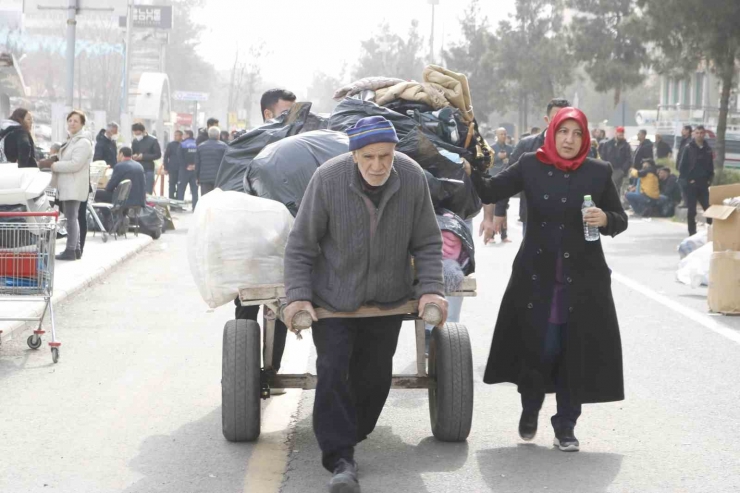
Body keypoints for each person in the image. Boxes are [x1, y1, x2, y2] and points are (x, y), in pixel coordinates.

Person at [282, 115, 447, 492]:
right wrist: (298, 297)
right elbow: (301, 245)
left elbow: (427, 242)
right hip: (335, 299)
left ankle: (349, 434)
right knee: (333, 367)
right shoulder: (328, 179)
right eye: (369, 157)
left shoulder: (412, 177)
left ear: (395, 153)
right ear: (354, 155)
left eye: (385, 156)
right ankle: (340, 457)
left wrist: (431, 288)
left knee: (374, 377)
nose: (378, 166)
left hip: (387, 300)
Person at [469, 107, 627, 453]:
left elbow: (620, 219)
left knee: (573, 351)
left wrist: (606, 218)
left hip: (583, 283)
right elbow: (491, 189)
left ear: (585, 138)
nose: (569, 140)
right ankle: (530, 407)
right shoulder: (530, 164)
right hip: (536, 278)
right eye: (563, 132)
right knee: (540, 348)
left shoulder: (599, 173)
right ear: (551, 133)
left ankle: (566, 426)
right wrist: (469, 162)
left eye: (577, 134)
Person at [231, 88, 299, 387]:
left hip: (282, 242)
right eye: (286, 113)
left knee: (280, 307)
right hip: (250, 242)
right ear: (268, 114)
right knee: (247, 307)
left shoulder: (293, 147)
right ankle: (243, 373)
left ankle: (270, 370)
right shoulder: (246, 145)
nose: (291, 120)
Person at [486, 98, 571, 240]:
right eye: (556, 117)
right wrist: (500, 211)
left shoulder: (576, 146)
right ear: (547, 119)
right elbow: (508, 179)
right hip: (533, 218)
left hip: (568, 218)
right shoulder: (528, 145)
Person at [38, 110, 92, 261]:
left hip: (73, 185)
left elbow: (75, 164)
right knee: (71, 217)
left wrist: (54, 165)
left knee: (71, 218)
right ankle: (75, 249)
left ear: (82, 124)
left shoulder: (83, 142)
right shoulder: (73, 140)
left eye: (75, 121)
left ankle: (70, 250)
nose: (72, 123)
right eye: (70, 121)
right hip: (69, 184)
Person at [679, 125, 714, 236]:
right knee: (692, 210)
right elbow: (682, 166)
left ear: (704, 134)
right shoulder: (688, 148)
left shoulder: (707, 149)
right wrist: (688, 180)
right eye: (697, 133)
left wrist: (709, 179)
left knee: (708, 209)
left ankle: (711, 231)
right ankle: (692, 233)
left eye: (701, 133)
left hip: (703, 183)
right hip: (691, 184)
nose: (699, 135)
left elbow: (710, 166)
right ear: (694, 134)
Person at [485, 127, 514, 243]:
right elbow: (487, 162)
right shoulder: (491, 148)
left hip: (505, 181)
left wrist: (508, 160)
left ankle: (504, 235)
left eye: (505, 134)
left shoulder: (511, 148)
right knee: (492, 208)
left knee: (503, 208)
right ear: (496, 135)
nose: (503, 136)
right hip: (493, 180)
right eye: (501, 134)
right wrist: (498, 158)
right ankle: (491, 235)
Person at [196, 126, 228, 196]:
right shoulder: (224, 147)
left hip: (204, 178)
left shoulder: (200, 146)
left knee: (205, 198)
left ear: (209, 135)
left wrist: (197, 177)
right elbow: (226, 163)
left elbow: (197, 163)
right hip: (219, 179)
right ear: (219, 135)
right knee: (217, 199)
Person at [131, 122, 161, 194]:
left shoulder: (153, 140)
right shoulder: (135, 141)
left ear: (143, 131)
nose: (137, 136)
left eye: (138, 134)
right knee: (137, 190)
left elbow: (158, 155)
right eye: (135, 134)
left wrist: (144, 157)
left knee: (147, 191)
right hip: (137, 169)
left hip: (148, 169)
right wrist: (133, 156)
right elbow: (132, 153)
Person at [601, 126, 632, 194]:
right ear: (616, 133)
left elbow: (629, 159)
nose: (621, 136)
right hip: (609, 168)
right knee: (611, 187)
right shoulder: (608, 144)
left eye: (622, 134)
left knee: (614, 186)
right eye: (620, 134)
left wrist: (622, 170)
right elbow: (603, 156)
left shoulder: (626, 145)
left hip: (618, 169)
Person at [178, 130, 199, 210]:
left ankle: (179, 207)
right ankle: (195, 207)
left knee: (181, 189)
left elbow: (180, 157)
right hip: (195, 170)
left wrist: (186, 166)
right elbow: (199, 157)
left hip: (184, 170)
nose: (183, 136)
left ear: (187, 135)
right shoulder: (197, 144)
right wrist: (195, 166)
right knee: (194, 190)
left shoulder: (182, 144)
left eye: (184, 134)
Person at [163, 130, 184, 199]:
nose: (175, 137)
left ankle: (179, 201)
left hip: (182, 169)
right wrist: (166, 168)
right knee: (172, 185)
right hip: (172, 168)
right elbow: (166, 156)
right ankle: (171, 202)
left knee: (180, 186)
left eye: (177, 135)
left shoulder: (184, 144)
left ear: (181, 136)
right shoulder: (171, 145)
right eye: (174, 135)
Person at [676, 125, 693, 208]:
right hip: (682, 166)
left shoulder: (689, 141)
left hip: (686, 167)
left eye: (683, 129)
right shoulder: (684, 140)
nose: (681, 131)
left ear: (688, 131)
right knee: (682, 184)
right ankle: (685, 201)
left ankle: (686, 202)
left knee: (684, 184)